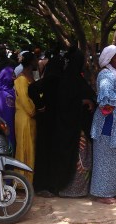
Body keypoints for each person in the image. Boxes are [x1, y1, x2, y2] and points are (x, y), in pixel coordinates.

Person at [90, 45, 116, 204]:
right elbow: (105, 99)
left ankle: (110, 190)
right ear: (109, 59)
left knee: (114, 159)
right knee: (105, 158)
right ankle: (102, 194)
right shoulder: (106, 75)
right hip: (108, 124)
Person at [58, 49, 95, 198]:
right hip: (75, 129)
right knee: (79, 158)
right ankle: (73, 190)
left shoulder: (72, 79)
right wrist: (84, 101)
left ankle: (78, 189)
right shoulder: (70, 81)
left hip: (73, 128)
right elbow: (66, 103)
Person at [29, 56, 64, 195]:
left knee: (45, 152)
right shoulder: (54, 78)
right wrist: (40, 105)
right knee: (47, 152)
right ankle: (44, 186)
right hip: (50, 120)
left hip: (48, 120)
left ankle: (45, 185)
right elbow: (32, 88)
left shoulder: (53, 77)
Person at [14, 52, 38, 184]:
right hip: (24, 116)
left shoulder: (30, 77)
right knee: (23, 148)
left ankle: (28, 179)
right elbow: (24, 99)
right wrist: (34, 110)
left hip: (31, 118)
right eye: (35, 60)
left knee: (30, 147)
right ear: (31, 62)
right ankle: (21, 181)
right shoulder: (21, 79)